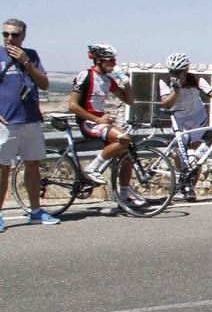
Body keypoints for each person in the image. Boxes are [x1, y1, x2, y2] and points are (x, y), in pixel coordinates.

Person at [0, 18, 58, 229]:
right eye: (5, 34)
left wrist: (26, 62)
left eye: (14, 35)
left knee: (32, 166)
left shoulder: (31, 55)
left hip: (31, 121)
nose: (9, 39)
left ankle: (36, 211)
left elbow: (44, 84)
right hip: (7, 123)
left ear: (23, 36)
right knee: (2, 169)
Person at [158, 52, 212, 200]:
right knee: (176, 154)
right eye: (172, 71)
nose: (175, 75)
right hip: (179, 120)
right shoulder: (164, 81)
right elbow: (167, 104)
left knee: (195, 155)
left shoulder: (196, 80)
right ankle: (183, 182)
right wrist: (176, 89)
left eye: (179, 72)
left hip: (197, 118)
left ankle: (190, 189)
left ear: (186, 70)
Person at [68, 44, 136, 200]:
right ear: (98, 60)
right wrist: (97, 119)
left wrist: (126, 82)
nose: (113, 63)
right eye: (110, 60)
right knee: (124, 138)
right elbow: (72, 105)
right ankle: (91, 169)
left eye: (114, 60)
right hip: (89, 122)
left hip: (101, 122)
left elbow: (129, 100)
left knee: (127, 157)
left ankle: (124, 196)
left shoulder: (107, 80)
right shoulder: (85, 75)